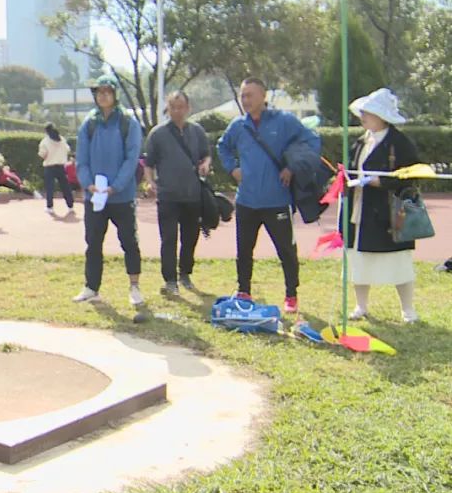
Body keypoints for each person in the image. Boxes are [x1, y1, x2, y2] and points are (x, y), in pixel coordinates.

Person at [217, 77, 321, 313]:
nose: (245, 100)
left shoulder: (283, 122)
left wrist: (293, 167)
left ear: (263, 96)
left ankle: (291, 294)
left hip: (277, 201)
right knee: (244, 250)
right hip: (247, 201)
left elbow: (312, 140)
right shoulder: (238, 126)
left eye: (250, 95)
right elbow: (222, 146)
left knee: (286, 250)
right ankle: (244, 290)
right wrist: (232, 168)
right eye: (243, 96)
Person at [342, 88, 421, 323]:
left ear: (382, 116)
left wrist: (380, 181)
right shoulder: (360, 141)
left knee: (398, 261)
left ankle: (408, 309)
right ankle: (361, 306)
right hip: (360, 209)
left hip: (388, 211)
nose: (363, 116)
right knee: (358, 259)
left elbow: (411, 174)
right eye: (363, 112)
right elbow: (350, 167)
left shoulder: (399, 143)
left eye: (369, 112)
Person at [72, 75, 144, 306]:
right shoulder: (89, 123)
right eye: (98, 92)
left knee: (129, 242)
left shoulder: (127, 122)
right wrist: (88, 183)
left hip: (121, 196)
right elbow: (81, 159)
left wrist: (116, 186)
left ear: (114, 94)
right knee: (93, 242)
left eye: (107, 91)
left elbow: (132, 158)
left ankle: (134, 287)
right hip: (95, 198)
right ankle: (91, 287)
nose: (102, 95)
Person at [144, 91, 211, 295]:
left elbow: (206, 154)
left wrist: (206, 164)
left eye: (181, 106)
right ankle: (170, 280)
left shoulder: (197, 131)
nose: (177, 111)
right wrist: (149, 182)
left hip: (192, 195)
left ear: (188, 108)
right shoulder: (157, 134)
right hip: (168, 196)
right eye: (173, 107)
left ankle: (185, 274)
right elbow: (148, 163)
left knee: (190, 238)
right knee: (169, 238)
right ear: (168, 108)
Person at [39, 123, 74, 214]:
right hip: (61, 166)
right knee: (65, 186)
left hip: (49, 166)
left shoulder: (45, 141)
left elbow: (43, 154)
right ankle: (70, 205)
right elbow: (68, 150)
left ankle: (50, 207)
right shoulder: (62, 139)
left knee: (50, 187)